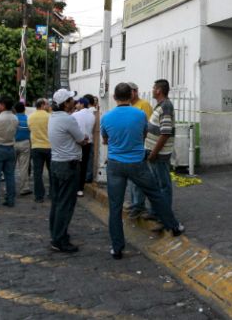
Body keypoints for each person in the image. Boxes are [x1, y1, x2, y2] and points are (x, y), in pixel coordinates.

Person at [102, 83, 184, 260]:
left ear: (115, 98)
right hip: (137, 162)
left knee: (115, 207)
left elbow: (105, 140)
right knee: (155, 193)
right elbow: (144, 134)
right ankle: (174, 226)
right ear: (130, 96)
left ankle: (117, 248)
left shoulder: (106, 117)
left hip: (115, 165)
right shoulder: (139, 115)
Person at [47, 89, 87, 253]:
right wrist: (84, 139)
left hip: (56, 163)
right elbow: (81, 139)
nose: (74, 102)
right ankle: (59, 239)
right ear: (65, 103)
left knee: (57, 202)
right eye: (71, 99)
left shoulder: (53, 117)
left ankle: (57, 234)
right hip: (68, 165)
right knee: (65, 204)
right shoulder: (68, 119)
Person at [129, 79, 175, 222]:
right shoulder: (160, 106)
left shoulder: (166, 106)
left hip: (159, 155)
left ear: (159, 90)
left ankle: (164, 217)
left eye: (154, 87)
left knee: (163, 185)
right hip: (152, 153)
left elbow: (165, 132)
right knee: (155, 184)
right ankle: (155, 212)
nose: (152, 90)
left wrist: (154, 153)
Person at [28, 98, 52, 203]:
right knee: (52, 172)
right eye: (47, 104)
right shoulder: (49, 116)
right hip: (49, 147)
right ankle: (52, 193)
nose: (48, 106)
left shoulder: (30, 117)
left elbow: (30, 129)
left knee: (37, 173)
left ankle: (39, 196)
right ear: (42, 105)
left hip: (36, 147)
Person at [72, 97, 95, 197]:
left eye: (77, 103)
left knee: (75, 164)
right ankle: (80, 188)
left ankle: (74, 186)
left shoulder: (75, 115)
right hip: (88, 143)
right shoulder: (92, 116)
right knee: (84, 165)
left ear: (81, 104)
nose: (76, 105)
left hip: (77, 143)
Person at [14, 101, 33, 197]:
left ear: (15, 109)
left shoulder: (13, 119)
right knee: (24, 167)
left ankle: (9, 187)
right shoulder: (28, 119)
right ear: (24, 109)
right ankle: (24, 188)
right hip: (25, 143)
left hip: (12, 143)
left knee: (10, 168)